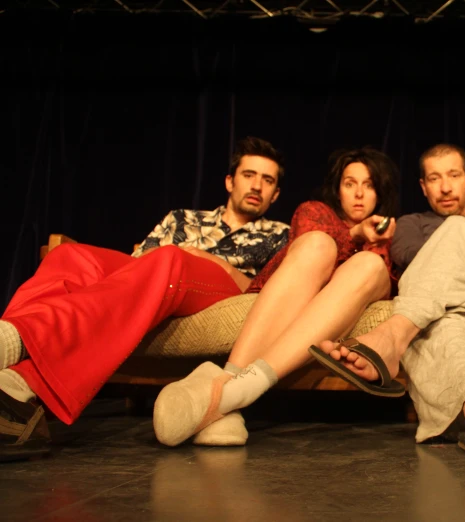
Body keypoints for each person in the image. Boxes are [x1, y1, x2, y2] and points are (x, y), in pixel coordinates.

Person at [0, 137, 289, 462]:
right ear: (229, 180)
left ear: (275, 194)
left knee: (171, 259)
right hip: (158, 279)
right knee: (71, 256)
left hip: (220, 290)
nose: (257, 186)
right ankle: (13, 382)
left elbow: (273, 291)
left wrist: (208, 262)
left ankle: (17, 342)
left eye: (268, 180)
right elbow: (135, 267)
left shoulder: (281, 235)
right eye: (249, 175)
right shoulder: (181, 219)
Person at [310, 144, 465, 458]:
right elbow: (408, 257)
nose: (444, 186)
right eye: (434, 178)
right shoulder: (411, 223)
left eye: (453, 176)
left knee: (456, 228)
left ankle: (393, 335)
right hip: (441, 292)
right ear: (423, 187)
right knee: (448, 309)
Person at [152, 147, 399, 447]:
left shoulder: (392, 235)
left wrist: (377, 242)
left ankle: (226, 393)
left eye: (369, 185)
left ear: (379, 193)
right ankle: (231, 393)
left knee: (369, 264)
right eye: (350, 183)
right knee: (319, 243)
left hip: (358, 287)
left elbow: (389, 276)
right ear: (338, 190)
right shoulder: (315, 211)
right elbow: (311, 250)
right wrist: (356, 234)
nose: (359, 193)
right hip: (305, 276)